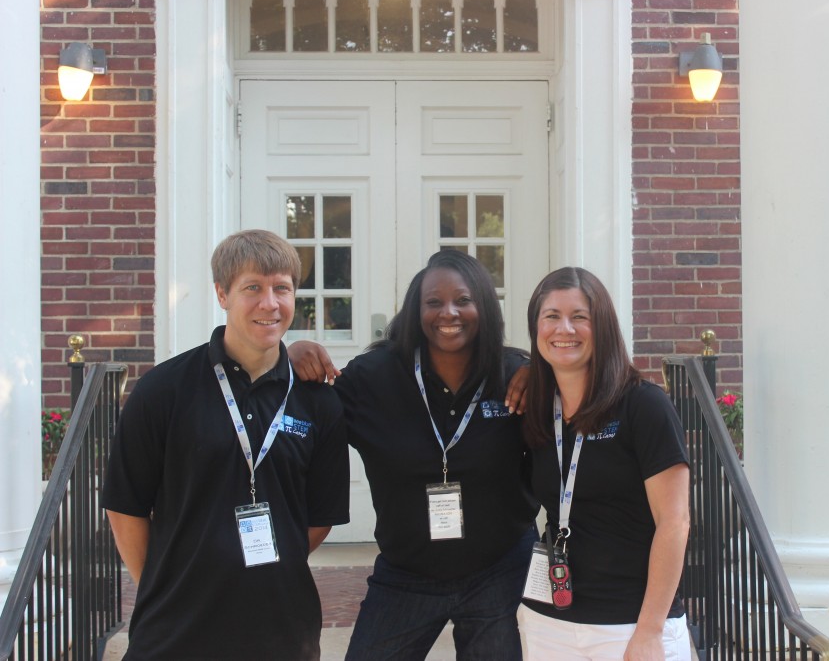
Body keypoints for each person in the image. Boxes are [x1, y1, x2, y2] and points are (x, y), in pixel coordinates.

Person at [102, 229, 350, 660]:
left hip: (282, 629)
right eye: (252, 287)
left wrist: (257, 562)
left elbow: (318, 517)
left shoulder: (318, 401)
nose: (269, 303)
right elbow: (125, 507)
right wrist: (165, 581)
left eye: (282, 289)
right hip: (175, 630)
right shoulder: (164, 389)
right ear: (222, 293)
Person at [289, 249, 539, 660]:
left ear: (484, 307)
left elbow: (582, 394)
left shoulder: (514, 377)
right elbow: (302, 417)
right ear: (415, 310)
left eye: (463, 300)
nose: (449, 313)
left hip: (500, 568)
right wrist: (289, 356)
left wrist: (543, 370)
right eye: (434, 302)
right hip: (408, 571)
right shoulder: (373, 378)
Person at [518, 267, 691, 661]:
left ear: (604, 327)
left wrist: (649, 632)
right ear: (536, 328)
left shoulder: (644, 406)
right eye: (551, 316)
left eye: (580, 317)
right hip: (549, 623)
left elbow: (674, 522)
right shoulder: (537, 410)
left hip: (629, 625)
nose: (565, 329)